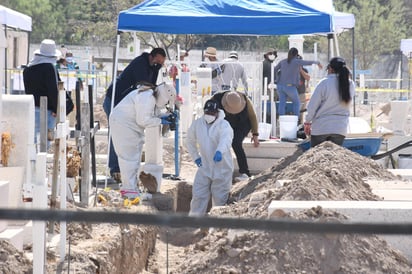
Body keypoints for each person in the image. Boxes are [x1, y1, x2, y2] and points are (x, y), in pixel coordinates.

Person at [103, 48, 166, 182]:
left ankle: (121, 168)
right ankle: (115, 169)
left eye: (161, 63)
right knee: (117, 134)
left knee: (124, 135)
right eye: (158, 61)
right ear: (151, 56)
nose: (158, 64)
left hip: (124, 103)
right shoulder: (140, 64)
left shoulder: (151, 67)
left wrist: (157, 69)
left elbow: (152, 85)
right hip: (114, 99)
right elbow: (143, 85)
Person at [109, 82, 176, 199]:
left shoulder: (150, 97)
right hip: (124, 125)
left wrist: (162, 117)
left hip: (129, 126)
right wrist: (160, 121)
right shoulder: (147, 97)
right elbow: (143, 120)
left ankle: (131, 189)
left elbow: (150, 115)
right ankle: (130, 191)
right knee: (129, 159)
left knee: (133, 159)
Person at [186, 99, 234, 216]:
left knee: (220, 198)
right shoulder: (198, 124)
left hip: (222, 167)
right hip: (205, 165)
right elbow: (190, 140)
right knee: (198, 195)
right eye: (207, 113)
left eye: (212, 114)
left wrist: (219, 151)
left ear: (217, 112)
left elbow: (226, 140)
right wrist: (196, 156)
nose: (209, 116)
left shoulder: (224, 125)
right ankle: (194, 221)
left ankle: (217, 225)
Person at [304, 57, 355, 148]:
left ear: (330, 69)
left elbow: (312, 105)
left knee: (317, 159)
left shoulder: (324, 83)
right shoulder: (350, 84)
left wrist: (307, 121)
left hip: (321, 127)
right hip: (340, 129)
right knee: (333, 160)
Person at [212, 91, 259, 181]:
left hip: (243, 124)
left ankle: (245, 172)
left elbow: (252, 116)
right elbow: (208, 113)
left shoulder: (246, 100)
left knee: (236, 143)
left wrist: (255, 134)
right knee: (219, 143)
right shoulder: (216, 99)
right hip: (224, 124)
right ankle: (217, 171)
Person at [23, 39, 61, 147]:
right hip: (47, 110)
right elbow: (53, 90)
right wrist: (56, 108)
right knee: (45, 143)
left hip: (31, 108)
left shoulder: (28, 69)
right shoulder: (49, 68)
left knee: (32, 142)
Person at [273, 47, 322, 118]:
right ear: (296, 54)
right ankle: (295, 120)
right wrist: (317, 63)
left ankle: (281, 120)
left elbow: (275, 70)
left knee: (282, 103)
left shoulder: (283, 61)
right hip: (290, 87)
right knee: (296, 103)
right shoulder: (296, 61)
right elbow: (307, 62)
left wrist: (276, 79)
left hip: (280, 86)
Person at [296, 55, 311, 123]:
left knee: (301, 113)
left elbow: (308, 78)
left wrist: (301, 70)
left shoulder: (304, 70)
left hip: (301, 94)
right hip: (290, 95)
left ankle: (300, 125)